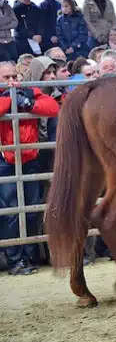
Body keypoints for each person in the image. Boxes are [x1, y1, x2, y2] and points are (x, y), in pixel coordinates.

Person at [0, 60, 59, 275]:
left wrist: (26, 103)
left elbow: (52, 107)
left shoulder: (30, 91)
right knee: (12, 212)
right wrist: (12, 100)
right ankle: (16, 261)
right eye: (6, 78)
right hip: (5, 161)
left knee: (32, 209)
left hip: (30, 159)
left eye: (14, 77)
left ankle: (29, 255)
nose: (12, 81)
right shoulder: (17, 93)